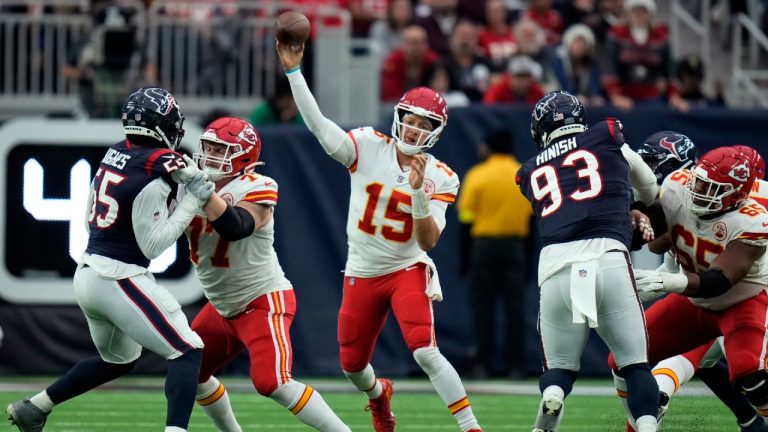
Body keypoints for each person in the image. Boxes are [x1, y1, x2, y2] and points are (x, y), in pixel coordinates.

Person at [276, 40, 483, 432]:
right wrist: (294, 73)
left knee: (424, 348)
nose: (415, 128)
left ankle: (471, 426)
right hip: (362, 270)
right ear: (398, 116)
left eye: (425, 124)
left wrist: (419, 193)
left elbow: (429, 242)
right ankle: (378, 395)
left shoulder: (442, 175)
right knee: (352, 365)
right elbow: (321, 128)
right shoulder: (370, 146)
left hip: (406, 265)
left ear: (436, 132)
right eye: (411, 118)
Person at [6, 87, 214, 432]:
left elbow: (138, 174)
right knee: (188, 350)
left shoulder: (117, 152)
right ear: (161, 125)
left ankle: (35, 407)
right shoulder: (156, 174)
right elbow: (152, 246)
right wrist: (193, 199)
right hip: (119, 276)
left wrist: (182, 178)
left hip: (89, 273)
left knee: (118, 360)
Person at [185, 116, 350, 432]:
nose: (209, 157)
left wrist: (203, 194)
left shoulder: (258, 185)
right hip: (222, 307)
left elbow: (237, 227)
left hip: (261, 300)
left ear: (244, 156)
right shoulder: (189, 185)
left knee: (272, 381)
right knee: (189, 370)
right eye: (207, 148)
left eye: (220, 150)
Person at [515, 91, 660, 432]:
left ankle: (552, 397)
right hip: (606, 258)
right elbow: (650, 187)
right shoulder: (606, 135)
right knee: (635, 366)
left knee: (559, 370)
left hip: (555, 269)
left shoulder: (529, 171)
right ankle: (648, 427)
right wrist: (635, 207)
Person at [610, 145, 768, 432]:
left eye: (710, 188)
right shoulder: (678, 185)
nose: (698, 191)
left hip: (742, 300)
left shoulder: (754, 218)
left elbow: (720, 280)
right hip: (695, 301)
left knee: (750, 374)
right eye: (699, 181)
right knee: (624, 355)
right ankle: (642, 422)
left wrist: (672, 282)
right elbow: (654, 235)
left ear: (736, 194)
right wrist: (637, 219)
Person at [456, 129, 533, 379]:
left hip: (484, 247)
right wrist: (529, 257)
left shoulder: (477, 175)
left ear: (488, 147)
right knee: (515, 310)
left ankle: (483, 365)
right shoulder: (523, 174)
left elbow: (466, 221)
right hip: (515, 247)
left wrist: (465, 258)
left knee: (483, 309)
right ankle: (516, 366)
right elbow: (533, 223)